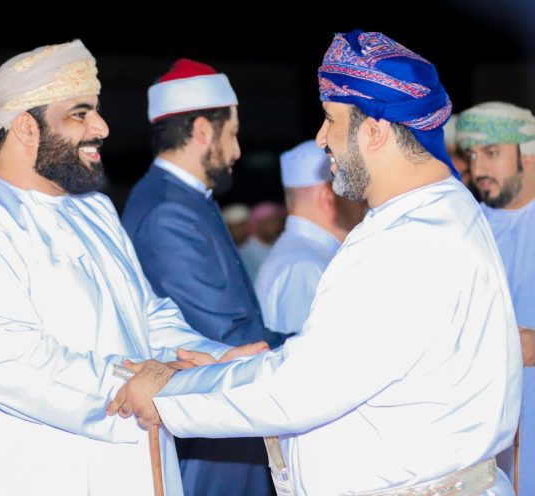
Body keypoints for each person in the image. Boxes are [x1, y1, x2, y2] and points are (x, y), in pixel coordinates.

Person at [109, 30, 522, 495]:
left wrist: (169, 394)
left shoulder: (411, 241)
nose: (322, 139)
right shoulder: (431, 213)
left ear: (375, 131)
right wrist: (217, 370)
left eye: (330, 119)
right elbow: (335, 362)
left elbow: (301, 387)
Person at [0, 40, 258, 496]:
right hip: (44, 473)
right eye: (79, 114)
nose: (101, 127)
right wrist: (138, 385)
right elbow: (9, 364)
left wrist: (212, 361)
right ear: (26, 127)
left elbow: (149, 317)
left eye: (95, 111)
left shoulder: (94, 209)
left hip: (137, 461)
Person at [122, 57, 285, 496]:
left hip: (224, 432)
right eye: (232, 134)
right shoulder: (168, 212)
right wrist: (308, 350)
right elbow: (220, 334)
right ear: (202, 132)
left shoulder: (186, 200)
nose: (236, 151)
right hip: (209, 449)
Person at [457, 101, 535, 494]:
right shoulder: (467, 227)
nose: (479, 169)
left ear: (528, 154)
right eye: (472, 156)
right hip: (483, 433)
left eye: (492, 153)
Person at [255, 140, 363, 334]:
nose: (362, 200)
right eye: (353, 190)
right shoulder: (304, 266)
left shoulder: (307, 255)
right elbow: (306, 350)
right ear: (328, 196)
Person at [239, 201, 287, 280]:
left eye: (277, 220)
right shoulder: (245, 253)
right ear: (257, 224)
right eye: (270, 221)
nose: (276, 225)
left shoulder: (283, 245)